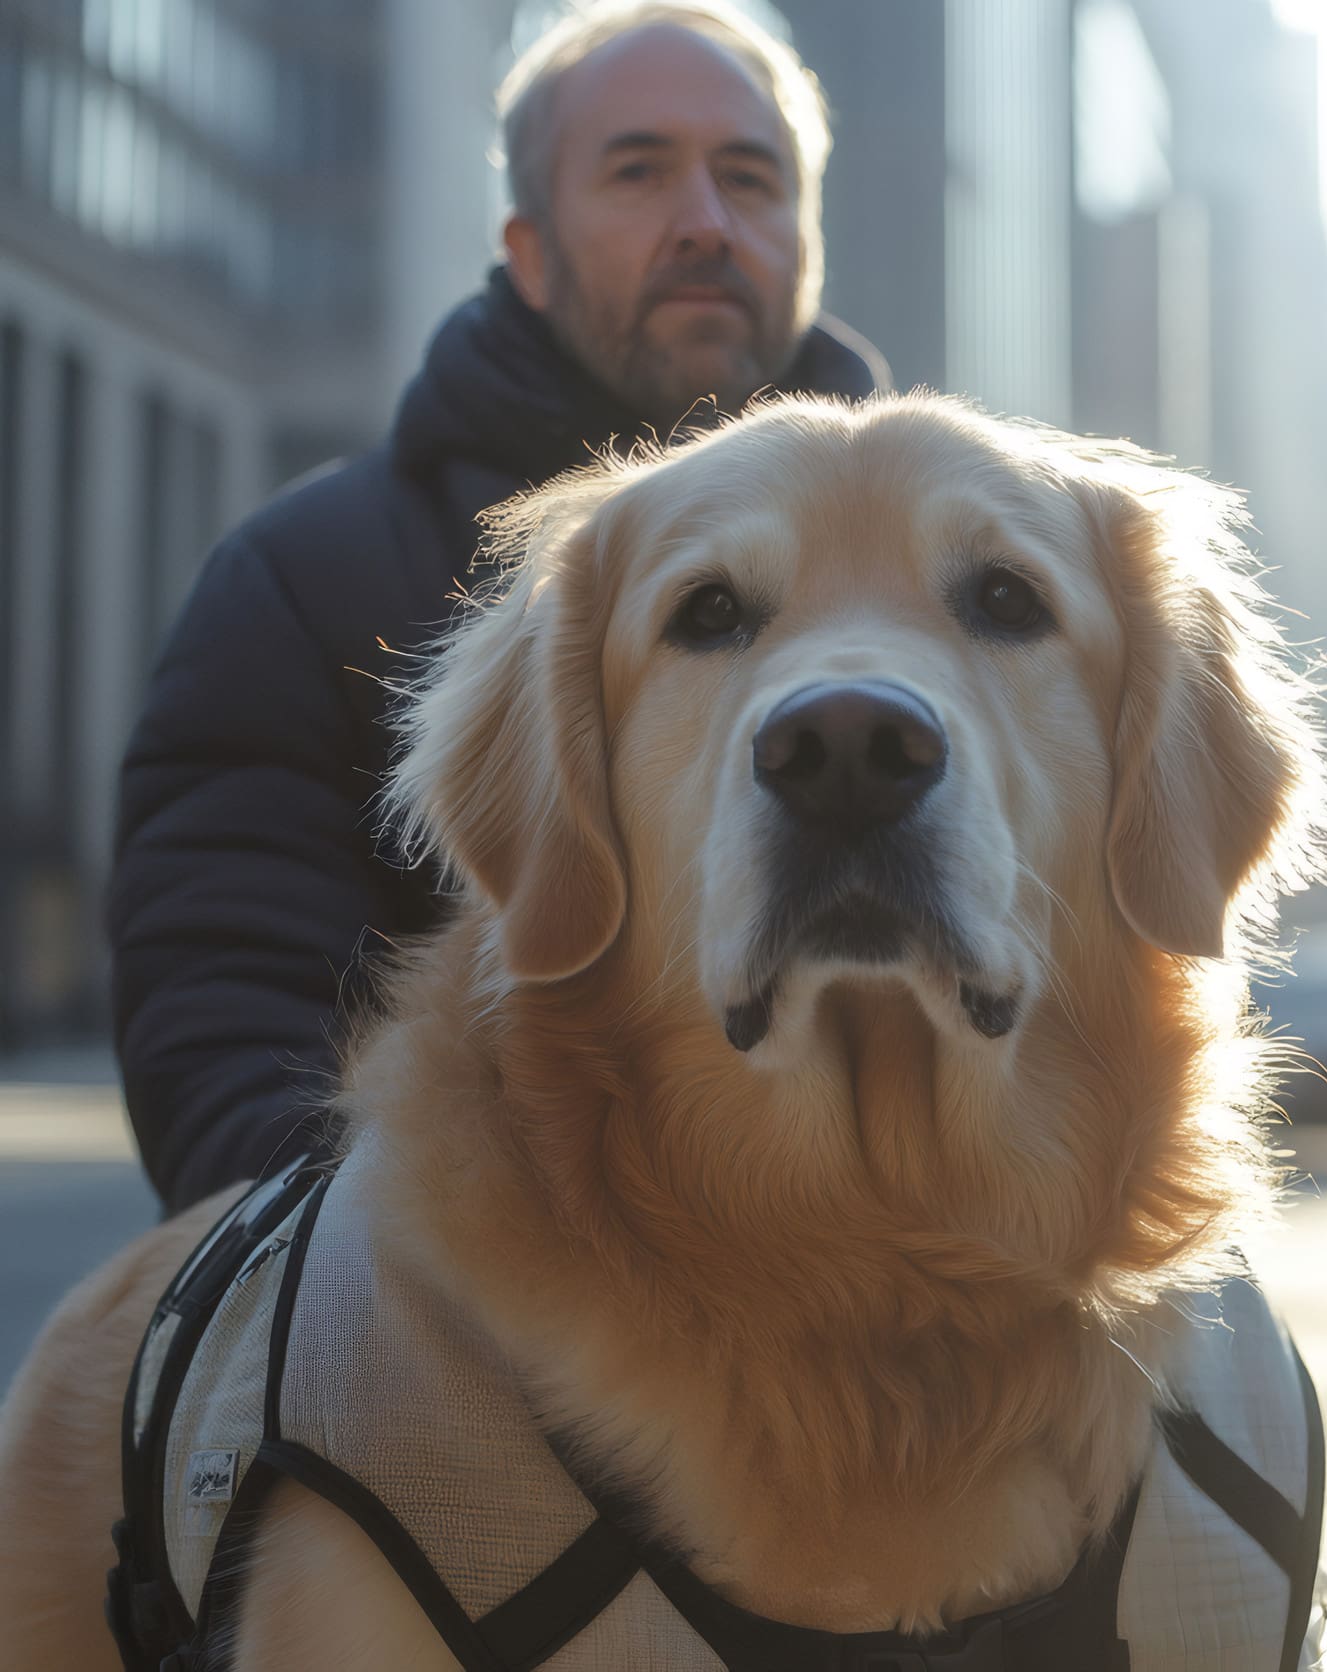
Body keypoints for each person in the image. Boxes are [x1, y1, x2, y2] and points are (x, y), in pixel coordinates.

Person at [109, 1, 888, 1213]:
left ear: (810, 239)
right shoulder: (305, 579)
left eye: (753, 178)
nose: (706, 223)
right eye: (639, 172)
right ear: (527, 250)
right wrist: (415, 1322)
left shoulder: (969, 585)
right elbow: (229, 1029)